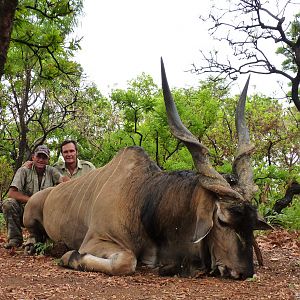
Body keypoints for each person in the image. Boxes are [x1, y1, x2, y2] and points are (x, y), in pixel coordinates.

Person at [2, 145, 64, 249]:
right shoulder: (23, 170)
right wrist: (33, 201)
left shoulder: (52, 171)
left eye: (44, 157)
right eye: (38, 156)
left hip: (45, 215)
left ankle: (43, 238)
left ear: (48, 160)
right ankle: (15, 239)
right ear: (33, 157)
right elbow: (11, 193)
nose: (40, 160)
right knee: (8, 203)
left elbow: (65, 183)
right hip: (26, 213)